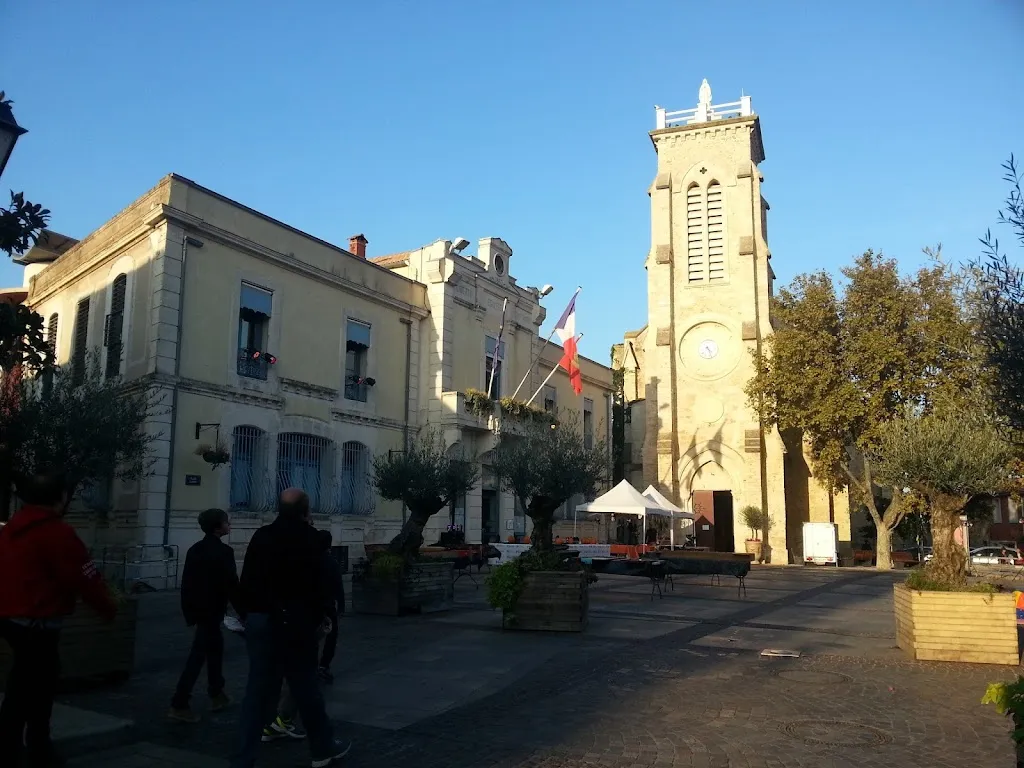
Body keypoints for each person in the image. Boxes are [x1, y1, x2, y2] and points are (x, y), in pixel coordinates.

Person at [0, 471, 118, 768]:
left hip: (11, 618)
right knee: (37, 687)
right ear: (60, 498)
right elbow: (83, 578)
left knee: (23, 683)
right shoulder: (57, 533)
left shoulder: (12, 528)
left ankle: (21, 746)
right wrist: (107, 608)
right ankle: (35, 749)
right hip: (38, 623)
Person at [232, 489, 350, 768]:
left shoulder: (262, 537)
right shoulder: (311, 540)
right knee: (306, 688)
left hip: (262, 621)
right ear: (305, 511)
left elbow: (246, 581)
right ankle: (322, 748)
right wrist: (322, 617)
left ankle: (242, 759)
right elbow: (319, 588)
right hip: (296, 624)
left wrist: (248, 616)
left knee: (257, 693)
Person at [264, 530, 341, 741]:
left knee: (287, 673)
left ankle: (276, 720)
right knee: (302, 678)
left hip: (286, 623)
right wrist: (328, 613)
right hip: (302, 625)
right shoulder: (315, 564)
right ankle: (285, 723)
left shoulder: (289, 562)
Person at [168, 508, 240, 723]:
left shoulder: (195, 549)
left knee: (214, 650)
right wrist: (244, 612)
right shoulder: (224, 552)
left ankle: (217, 693)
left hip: (201, 611)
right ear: (218, 527)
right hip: (212, 611)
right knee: (198, 656)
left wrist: (189, 612)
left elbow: (187, 584)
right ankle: (179, 703)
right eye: (227, 523)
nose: (230, 525)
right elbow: (231, 586)